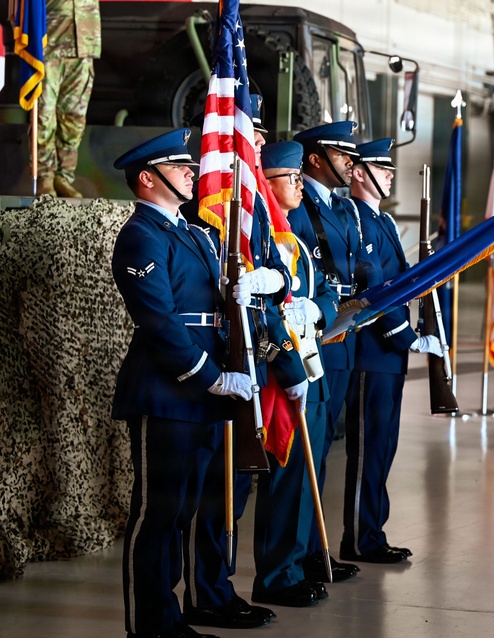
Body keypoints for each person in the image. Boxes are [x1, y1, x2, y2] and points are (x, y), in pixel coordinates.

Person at [110, 128, 255, 638]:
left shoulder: (193, 233)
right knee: (156, 514)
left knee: (184, 511)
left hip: (201, 397)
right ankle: (148, 626)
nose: (193, 174)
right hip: (167, 391)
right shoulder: (140, 236)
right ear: (148, 179)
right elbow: (160, 321)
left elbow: (213, 310)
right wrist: (213, 377)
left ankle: (170, 618)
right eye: (180, 169)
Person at [182, 95, 314, 630]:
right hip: (213, 368)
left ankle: (219, 588)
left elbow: (266, 295)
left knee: (233, 486)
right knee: (214, 490)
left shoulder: (251, 207)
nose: (257, 142)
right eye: (248, 134)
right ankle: (205, 593)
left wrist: (287, 366)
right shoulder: (207, 210)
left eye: (256, 134)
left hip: (252, 363)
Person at [340, 138, 442, 564]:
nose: (388, 176)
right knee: (367, 449)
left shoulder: (379, 221)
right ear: (358, 173)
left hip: (388, 357)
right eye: (380, 170)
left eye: (389, 170)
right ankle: (361, 538)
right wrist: (407, 337)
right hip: (372, 351)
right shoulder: (356, 218)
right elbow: (374, 286)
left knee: (383, 446)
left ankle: (372, 533)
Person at [251, 140, 341, 607]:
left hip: (313, 363)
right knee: (285, 477)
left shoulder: (295, 241)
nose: (299, 186)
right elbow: (263, 311)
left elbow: (326, 291)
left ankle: (294, 563)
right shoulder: (262, 239)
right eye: (290, 179)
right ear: (265, 183)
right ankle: (275, 575)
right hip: (284, 371)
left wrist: (317, 311)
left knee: (306, 476)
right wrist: (289, 368)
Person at [287, 120, 366, 582]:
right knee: (304, 457)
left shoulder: (338, 207)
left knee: (318, 454)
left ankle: (314, 549)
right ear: (316, 158)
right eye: (342, 155)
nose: (350, 163)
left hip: (338, 333)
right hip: (316, 335)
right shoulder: (299, 210)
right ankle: (296, 557)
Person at [40, 0, 138, 198]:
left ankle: (63, 177)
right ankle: (42, 178)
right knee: (44, 116)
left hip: (83, 48)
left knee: (73, 119)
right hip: (48, 47)